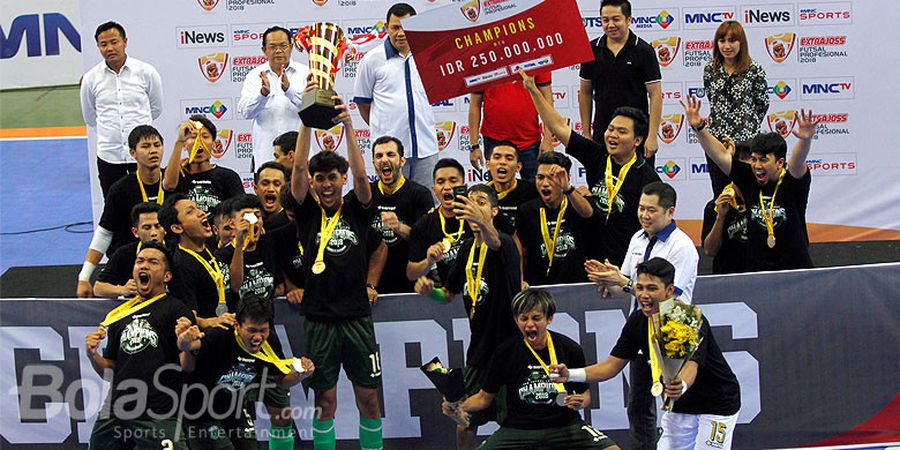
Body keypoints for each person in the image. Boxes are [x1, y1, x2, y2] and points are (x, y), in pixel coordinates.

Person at [553, 258, 742, 450]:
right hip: (680, 408)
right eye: (640, 288)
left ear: (669, 291)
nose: (643, 295)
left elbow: (691, 367)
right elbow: (610, 366)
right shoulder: (637, 321)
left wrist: (681, 385)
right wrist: (570, 374)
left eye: (652, 288)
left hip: (717, 404)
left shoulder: (687, 317)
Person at [289, 81, 384, 450]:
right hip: (319, 320)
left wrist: (348, 127)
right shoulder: (308, 213)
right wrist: (307, 121)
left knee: (369, 400)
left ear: (341, 180)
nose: (327, 184)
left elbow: (363, 179)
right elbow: (296, 171)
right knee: (325, 403)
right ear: (313, 183)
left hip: (357, 317)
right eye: (321, 178)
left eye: (333, 178)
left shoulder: (358, 210)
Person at [585, 182, 698, 450]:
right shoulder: (637, 238)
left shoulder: (682, 247)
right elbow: (623, 290)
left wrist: (623, 281)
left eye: (651, 210)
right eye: (640, 208)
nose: (644, 215)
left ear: (670, 212)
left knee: (676, 404)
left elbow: (670, 298)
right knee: (638, 407)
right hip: (640, 332)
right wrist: (606, 279)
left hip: (673, 334)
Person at [414, 184, 521, 450]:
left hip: (510, 349)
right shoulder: (464, 251)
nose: (473, 207)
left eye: (481, 202)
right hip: (480, 350)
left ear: (494, 211)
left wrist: (481, 221)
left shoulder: (504, 243)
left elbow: (494, 240)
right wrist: (430, 292)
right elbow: (448, 294)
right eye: (470, 202)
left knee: (515, 424)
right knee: (464, 421)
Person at [447, 289, 619, 450]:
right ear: (516, 320)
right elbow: (484, 398)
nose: (529, 325)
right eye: (523, 318)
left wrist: (581, 401)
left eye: (536, 318)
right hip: (517, 430)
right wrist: (457, 405)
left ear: (549, 318)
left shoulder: (569, 348)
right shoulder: (504, 352)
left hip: (566, 426)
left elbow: (586, 395)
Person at [521, 70, 659, 266]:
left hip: (627, 261)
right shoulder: (597, 156)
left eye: (621, 131)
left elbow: (653, 228)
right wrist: (533, 91)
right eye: (610, 129)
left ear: (637, 140)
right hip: (593, 259)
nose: (612, 135)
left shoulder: (648, 178)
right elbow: (558, 127)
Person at [682, 96, 819, 271]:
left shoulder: (792, 183)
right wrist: (700, 128)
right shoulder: (749, 179)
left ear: (779, 162)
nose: (757, 166)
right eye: (754, 159)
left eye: (763, 160)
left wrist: (805, 140)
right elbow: (720, 156)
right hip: (757, 273)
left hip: (795, 271)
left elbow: (797, 162)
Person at [84, 242, 193, 449]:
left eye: (152, 262)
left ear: (167, 276)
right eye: (139, 261)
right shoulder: (118, 315)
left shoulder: (177, 311)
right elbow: (112, 370)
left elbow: (188, 367)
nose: (144, 266)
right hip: (116, 411)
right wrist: (93, 356)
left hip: (158, 414)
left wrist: (187, 347)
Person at [177, 295, 315, 450]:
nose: (258, 337)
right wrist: (184, 341)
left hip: (234, 411)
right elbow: (186, 359)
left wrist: (301, 374)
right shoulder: (219, 336)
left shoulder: (269, 343)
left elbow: (281, 381)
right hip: (200, 414)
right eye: (251, 330)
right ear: (237, 325)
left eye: (263, 330)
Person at [353, 3, 439, 187]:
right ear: (386, 28)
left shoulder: (428, 55)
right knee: (393, 208)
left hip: (426, 148)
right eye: (395, 27)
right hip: (390, 154)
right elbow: (363, 104)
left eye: (406, 27)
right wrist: (383, 128)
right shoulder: (371, 60)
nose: (400, 33)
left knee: (428, 208)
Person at [77, 125, 167, 298]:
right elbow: (105, 232)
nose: (153, 151)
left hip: (169, 262)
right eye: (146, 146)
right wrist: (84, 276)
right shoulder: (120, 189)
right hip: (133, 267)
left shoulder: (174, 182)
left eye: (157, 145)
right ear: (133, 153)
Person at [81, 21, 163, 199]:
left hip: (143, 155)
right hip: (109, 155)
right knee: (113, 207)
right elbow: (89, 116)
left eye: (114, 42)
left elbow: (155, 109)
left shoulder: (146, 72)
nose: (109, 48)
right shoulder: (90, 78)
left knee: (150, 203)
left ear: (125, 41)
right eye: (103, 44)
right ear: (98, 47)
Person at [578, 0, 662, 165]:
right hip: (603, 135)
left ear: (628, 20)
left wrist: (652, 135)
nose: (610, 25)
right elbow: (586, 93)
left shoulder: (644, 51)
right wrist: (586, 133)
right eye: (605, 20)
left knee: (640, 189)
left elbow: (655, 94)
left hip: (637, 136)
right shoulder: (591, 49)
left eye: (616, 19)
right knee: (601, 188)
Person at [703, 20, 769, 195]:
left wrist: (747, 125)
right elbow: (712, 99)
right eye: (722, 40)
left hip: (747, 144)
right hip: (718, 142)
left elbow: (762, 103)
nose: (727, 46)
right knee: (721, 193)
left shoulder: (754, 69)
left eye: (732, 40)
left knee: (748, 192)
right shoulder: (710, 70)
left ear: (741, 43)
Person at [366, 136, 435, 293]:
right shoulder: (366, 194)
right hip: (374, 285)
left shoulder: (420, 194)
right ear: (374, 164)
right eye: (379, 156)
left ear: (402, 161)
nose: (384, 160)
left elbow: (426, 242)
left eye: (390, 154)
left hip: (412, 283)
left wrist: (399, 227)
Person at [516, 152, 595, 286]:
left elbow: (587, 213)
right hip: (539, 287)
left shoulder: (577, 203)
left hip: (575, 286)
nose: (545, 184)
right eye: (540, 177)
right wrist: (521, 279)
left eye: (552, 177)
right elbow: (523, 252)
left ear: (566, 178)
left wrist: (568, 188)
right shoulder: (527, 210)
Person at [159, 194, 236, 329]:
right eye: (190, 212)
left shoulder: (209, 245)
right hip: (206, 338)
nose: (201, 213)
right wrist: (210, 322)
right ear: (177, 228)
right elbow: (186, 318)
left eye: (198, 208)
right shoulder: (180, 265)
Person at [237, 26, 309, 169]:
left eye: (283, 46)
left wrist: (290, 91)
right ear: (264, 50)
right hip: (265, 156)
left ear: (291, 47)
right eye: (273, 46)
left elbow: (313, 109)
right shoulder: (254, 75)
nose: (278, 51)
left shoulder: (306, 72)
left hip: (299, 157)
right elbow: (246, 112)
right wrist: (262, 96)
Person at [468, 76, 554, 180]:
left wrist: (548, 140)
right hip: (494, 142)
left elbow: (547, 101)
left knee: (535, 193)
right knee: (496, 194)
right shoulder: (484, 61)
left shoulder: (536, 60)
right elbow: (474, 104)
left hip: (529, 142)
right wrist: (474, 146)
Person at [163, 115, 244, 215]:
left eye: (205, 136)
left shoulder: (228, 177)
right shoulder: (177, 173)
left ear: (214, 144)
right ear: (185, 145)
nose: (199, 142)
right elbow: (169, 185)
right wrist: (179, 141)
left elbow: (240, 211)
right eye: (193, 137)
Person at [407, 158, 469, 286]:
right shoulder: (424, 224)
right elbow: (411, 274)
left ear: (464, 186)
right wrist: (429, 262)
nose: (447, 187)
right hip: (443, 296)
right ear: (434, 189)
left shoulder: (476, 218)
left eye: (453, 181)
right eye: (440, 182)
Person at [93, 202, 165, 297]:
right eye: (147, 228)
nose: (153, 233)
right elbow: (98, 288)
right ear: (136, 232)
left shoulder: (176, 250)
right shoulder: (123, 254)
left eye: (157, 226)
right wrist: (122, 290)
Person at [701, 138, 750, 274]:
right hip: (726, 279)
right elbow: (710, 251)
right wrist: (720, 217)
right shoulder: (716, 206)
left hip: (759, 275)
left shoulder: (763, 201)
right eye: (742, 165)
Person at [484, 142, 539, 229]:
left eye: (509, 158)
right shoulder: (482, 195)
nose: (502, 162)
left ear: (518, 167)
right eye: (497, 157)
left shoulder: (533, 191)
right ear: (488, 165)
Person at [254, 162, 290, 230]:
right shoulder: (248, 222)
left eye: (276, 184)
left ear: (285, 189)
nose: (270, 189)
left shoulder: (291, 221)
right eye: (265, 184)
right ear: (256, 189)